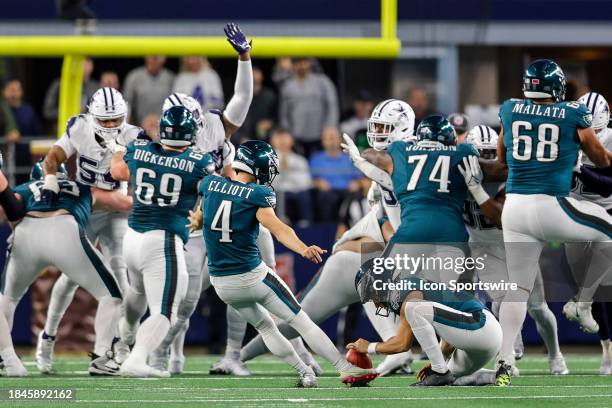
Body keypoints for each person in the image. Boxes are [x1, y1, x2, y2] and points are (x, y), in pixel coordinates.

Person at [190, 140, 376, 387]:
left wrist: (197, 221)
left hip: (222, 284)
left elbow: (202, 214)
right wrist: (303, 248)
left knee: (267, 329)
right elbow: (278, 229)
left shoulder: (211, 184)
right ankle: (344, 368)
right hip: (252, 277)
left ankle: (304, 372)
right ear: (259, 167)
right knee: (302, 322)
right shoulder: (257, 194)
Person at [146, 24, 262, 376]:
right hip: (187, 227)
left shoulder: (212, 127)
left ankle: (232, 355)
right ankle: (159, 352)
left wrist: (244, 58)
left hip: (221, 217)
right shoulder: (157, 147)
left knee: (249, 282)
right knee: (186, 303)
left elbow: (241, 102)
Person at [496, 59, 612, 377]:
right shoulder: (574, 113)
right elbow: (602, 159)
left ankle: (504, 359)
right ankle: (583, 302)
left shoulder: (509, 109)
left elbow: (503, 155)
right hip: (551, 204)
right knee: (608, 231)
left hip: (514, 208)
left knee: (517, 288)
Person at [35, 87, 138, 373]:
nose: (109, 125)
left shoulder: (134, 136)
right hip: (87, 209)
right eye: (104, 120)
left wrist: (122, 157)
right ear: (92, 117)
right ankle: (48, 338)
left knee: (121, 280)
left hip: (117, 210)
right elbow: (52, 157)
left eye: (114, 119)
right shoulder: (78, 127)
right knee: (69, 278)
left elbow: (130, 175)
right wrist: (51, 179)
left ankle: (119, 346)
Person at [109, 106, 213, 377]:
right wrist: (201, 216)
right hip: (163, 240)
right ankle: (137, 358)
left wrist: (118, 147)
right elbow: (212, 193)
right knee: (165, 312)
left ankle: (127, 334)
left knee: (137, 292)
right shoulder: (199, 162)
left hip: (131, 238)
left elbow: (118, 172)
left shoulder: (138, 150)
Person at [0, 160, 125, 376]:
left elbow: (11, 208)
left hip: (27, 234)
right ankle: (101, 357)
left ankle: (6, 358)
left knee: (6, 301)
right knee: (111, 296)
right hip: (65, 231)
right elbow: (121, 203)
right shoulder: (83, 188)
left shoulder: (24, 189)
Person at [463, 124, 568, 375]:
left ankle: (555, 354)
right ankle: (508, 352)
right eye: (481, 154)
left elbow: (499, 217)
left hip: (518, 242)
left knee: (538, 309)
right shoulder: (457, 175)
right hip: (484, 246)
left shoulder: (511, 176)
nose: (486, 161)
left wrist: (476, 189)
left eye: (491, 154)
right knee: (500, 301)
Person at [349, 274, 506, 386]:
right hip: (483, 333)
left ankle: (440, 373)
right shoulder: (409, 286)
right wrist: (440, 358)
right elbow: (450, 334)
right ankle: (494, 376)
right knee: (452, 379)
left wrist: (368, 347)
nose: (374, 303)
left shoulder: (404, 293)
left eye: (371, 295)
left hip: (480, 325)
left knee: (413, 308)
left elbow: (402, 344)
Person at [563, 91, 612, 375]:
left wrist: (580, 169)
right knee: (582, 284)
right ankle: (605, 343)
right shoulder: (567, 136)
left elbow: (608, 186)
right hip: (574, 215)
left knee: (603, 289)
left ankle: (608, 350)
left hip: (606, 214)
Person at [279, 57, 339, 156]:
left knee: (318, 164)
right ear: (293, 65)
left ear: (309, 63)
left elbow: (332, 105)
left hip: (320, 134)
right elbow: (284, 112)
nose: (301, 66)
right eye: (297, 63)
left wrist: (330, 126)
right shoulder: (287, 86)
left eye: (304, 62)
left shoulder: (323, 81)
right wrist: (286, 132)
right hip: (296, 135)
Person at [310, 127, 361, 222]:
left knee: (357, 195)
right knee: (324, 197)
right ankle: (328, 229)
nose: (331, 141)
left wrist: (357, 183)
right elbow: (311, 180)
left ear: (340, 139)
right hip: (327, 192)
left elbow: (359, 178)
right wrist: (318, 183)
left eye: (334, 137)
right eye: (328, 138)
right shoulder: (316, 159)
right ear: (323, 141)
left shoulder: (350, 158)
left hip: (348, 191)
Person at [269, 128, 313, 225]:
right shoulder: (266, 160)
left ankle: (306, 224)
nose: (282, 141)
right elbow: (267, 183)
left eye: (285, 138)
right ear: (272, 141)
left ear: (292, 140)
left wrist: (288, 171)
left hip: (296, 192)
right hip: (276, 193)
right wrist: (281, 170)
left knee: (305, 196)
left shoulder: (300, 160)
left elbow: (307, 183)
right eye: (279, 138)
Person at [3, 79, 42, 183]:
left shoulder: (28, 110)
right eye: (11, 90)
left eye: (17, 90)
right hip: (6, 156)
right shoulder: (2, 110)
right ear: (4, 92)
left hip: (27, 156)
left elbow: (37, 133)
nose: (14, 93)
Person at [43, 57, 98, 126]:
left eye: (88, 62)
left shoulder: (95, 86)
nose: (85, 66)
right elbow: (47, 112)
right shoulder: (59, 85)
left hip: (90, 130)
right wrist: (70, 111)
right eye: (82, 62)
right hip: (63, 129)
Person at [123, 55, 175, 125]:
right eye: (152, 55)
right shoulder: (134, 76)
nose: (154, 59)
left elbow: (175, 106)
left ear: (164, 59)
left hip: (165, 127)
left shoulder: (170, 77)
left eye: (158, 56)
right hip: (139, 127)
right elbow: (126, 106)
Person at [234, 66, 277, 143]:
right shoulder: (237, 97)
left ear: (262, 77)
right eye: (250, 74)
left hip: (265, 142)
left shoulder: (270, 96)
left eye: (256, 74)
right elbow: (229, 122)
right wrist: (240, 139)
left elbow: (278, 120)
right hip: (242, 142)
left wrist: (269, 124)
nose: (253, 78)